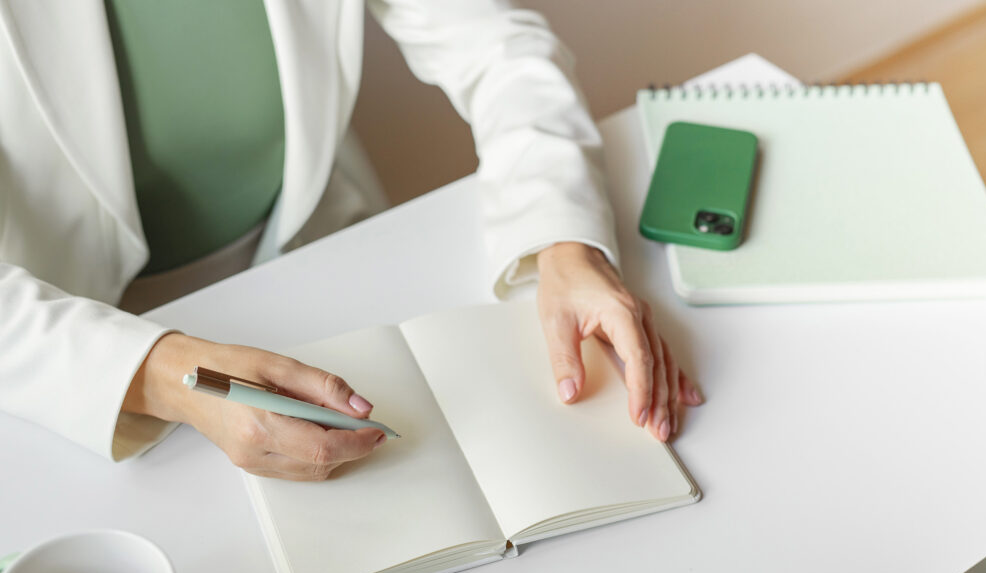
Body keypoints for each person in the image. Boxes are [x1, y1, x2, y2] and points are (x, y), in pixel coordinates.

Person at [0, 0, 702, 481]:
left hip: (326, 263)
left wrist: (564, 240)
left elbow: (496, 45)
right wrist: (166, 375)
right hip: (72, 346)